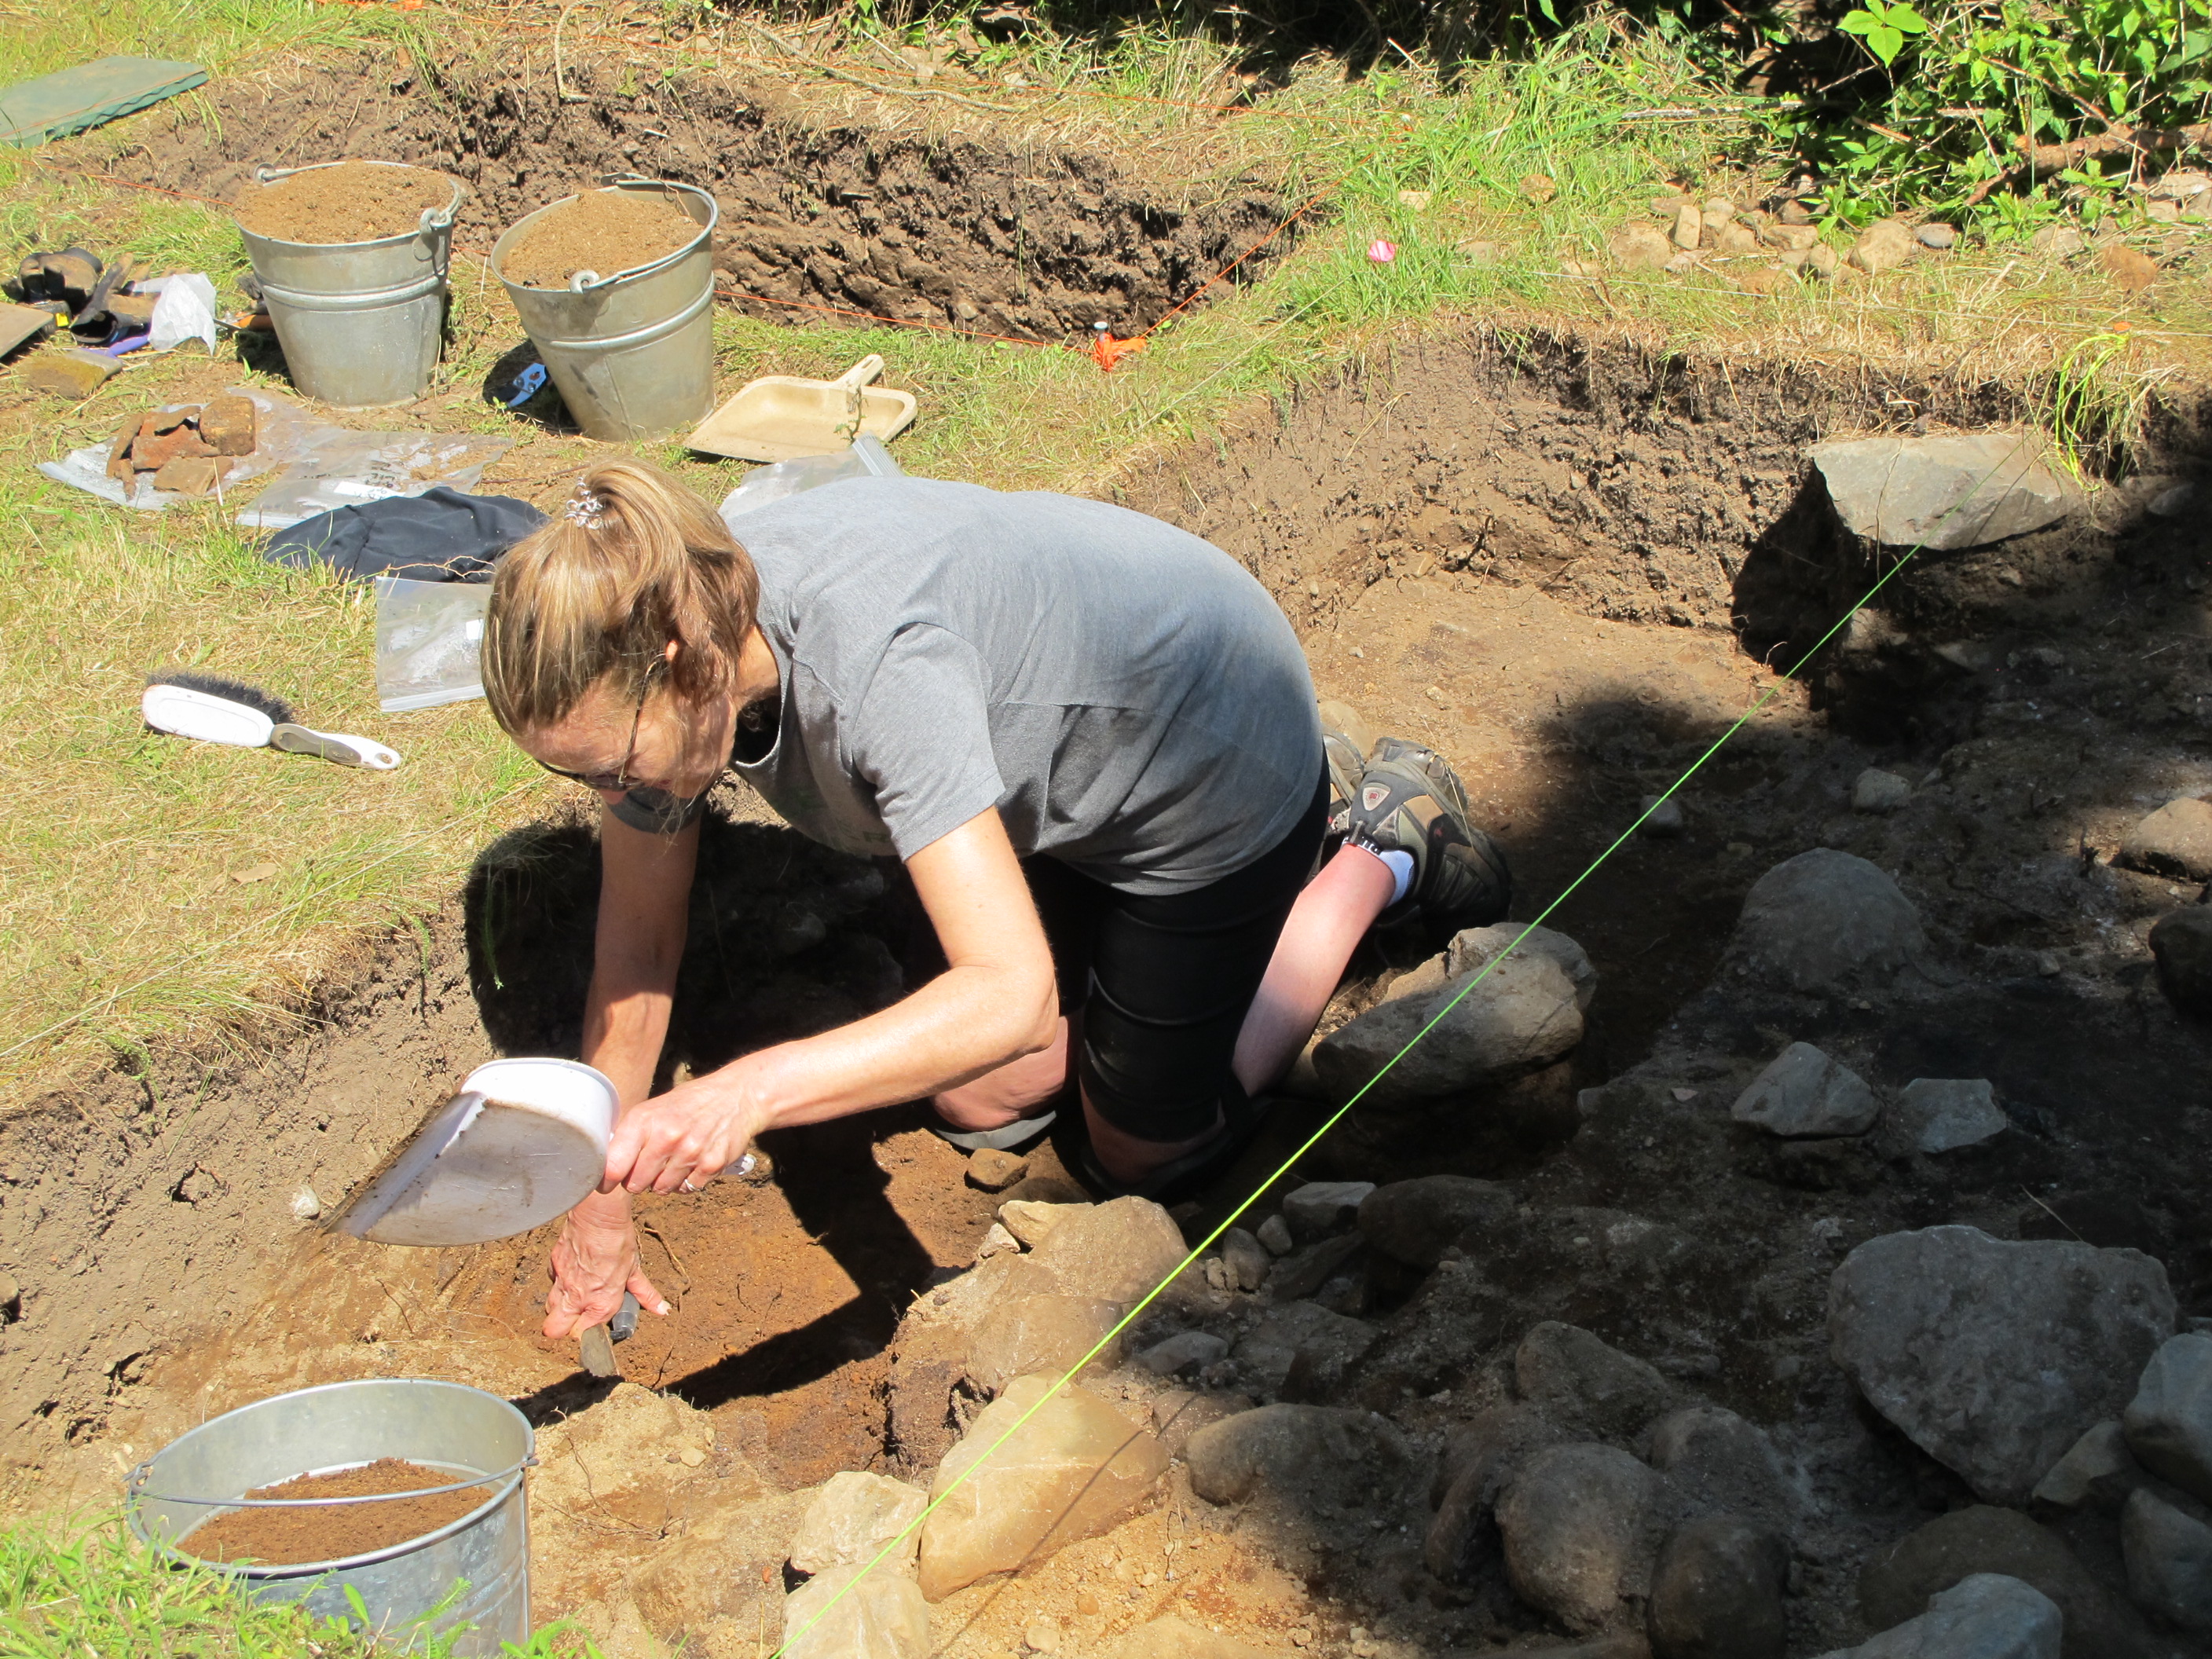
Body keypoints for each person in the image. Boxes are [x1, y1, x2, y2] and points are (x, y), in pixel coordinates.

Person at [478, 460, 1510, 1341]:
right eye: (583, 783)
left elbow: (1007, 995)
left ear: (682, 661)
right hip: (1063, 778)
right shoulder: (687, 610)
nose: (615, 803)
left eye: (614, 768)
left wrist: (739, 1094)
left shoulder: (879, 672)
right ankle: (1178, 954)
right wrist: (599, 1190)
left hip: (1209, 765)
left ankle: (1374, 850)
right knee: (976, 1099)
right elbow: (640, 943)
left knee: (1137, 1153)